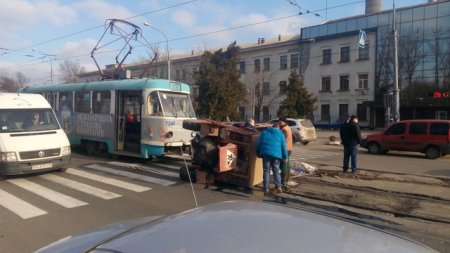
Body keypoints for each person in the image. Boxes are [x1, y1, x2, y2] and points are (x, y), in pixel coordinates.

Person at [256, 124, 288, 194]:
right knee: (276, 171)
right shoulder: (280, 134)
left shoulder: (264, 132)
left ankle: (266, 188)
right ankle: (278, 187)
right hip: (277, 155)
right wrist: (285, 157)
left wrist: (258, 154)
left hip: (266, 154)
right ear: (278, 128)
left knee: (266, 171)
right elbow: (284, 147)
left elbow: (258, 144)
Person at [278, 116, 293, 189]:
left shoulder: (284, 130)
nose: (279, 122)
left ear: (284, 122)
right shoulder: (287, 127)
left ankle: (283, 182)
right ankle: (286, 181)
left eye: (281, 121)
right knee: (286, 165)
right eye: (279, 121)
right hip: (288, 149)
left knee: (283, 166)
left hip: (285, 150)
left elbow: (281, 140)